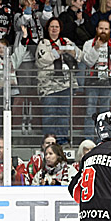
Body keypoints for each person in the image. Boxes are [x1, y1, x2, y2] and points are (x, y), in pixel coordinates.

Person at [36, 17, 80, 145]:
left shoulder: (66, 41)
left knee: (63, 113)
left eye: (57, 27)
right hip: (48, 85)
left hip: (65, 85)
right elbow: (41, 61)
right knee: (50, 113)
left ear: (60, 29)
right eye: (52, 27)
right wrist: (58, 52)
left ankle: (62, 140)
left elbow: (80, 55)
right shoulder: (43, 43)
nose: (54, 29)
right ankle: (50, 142)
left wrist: (72, 52)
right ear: (48, 29)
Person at [81, 19, 111, 132]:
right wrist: (95, 48)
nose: (103, 31)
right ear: (96, 29)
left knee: (105, 112)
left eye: (106, 29)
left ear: (109, 30)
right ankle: (89, 138)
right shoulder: (89, 44)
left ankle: (103, 138)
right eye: (101, 28)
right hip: (92, 82)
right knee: (90, 111)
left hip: (108, 83)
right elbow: (88, 62)